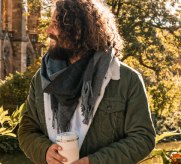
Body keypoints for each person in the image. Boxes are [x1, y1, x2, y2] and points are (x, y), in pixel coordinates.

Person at [18, 0, 156, 163]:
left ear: (78, 31)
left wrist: (94, 161)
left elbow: (142, 138)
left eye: (55, 24)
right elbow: (27, 130)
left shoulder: (126, 79)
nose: (48, 31)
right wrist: (44, 151)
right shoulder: (41, 78)